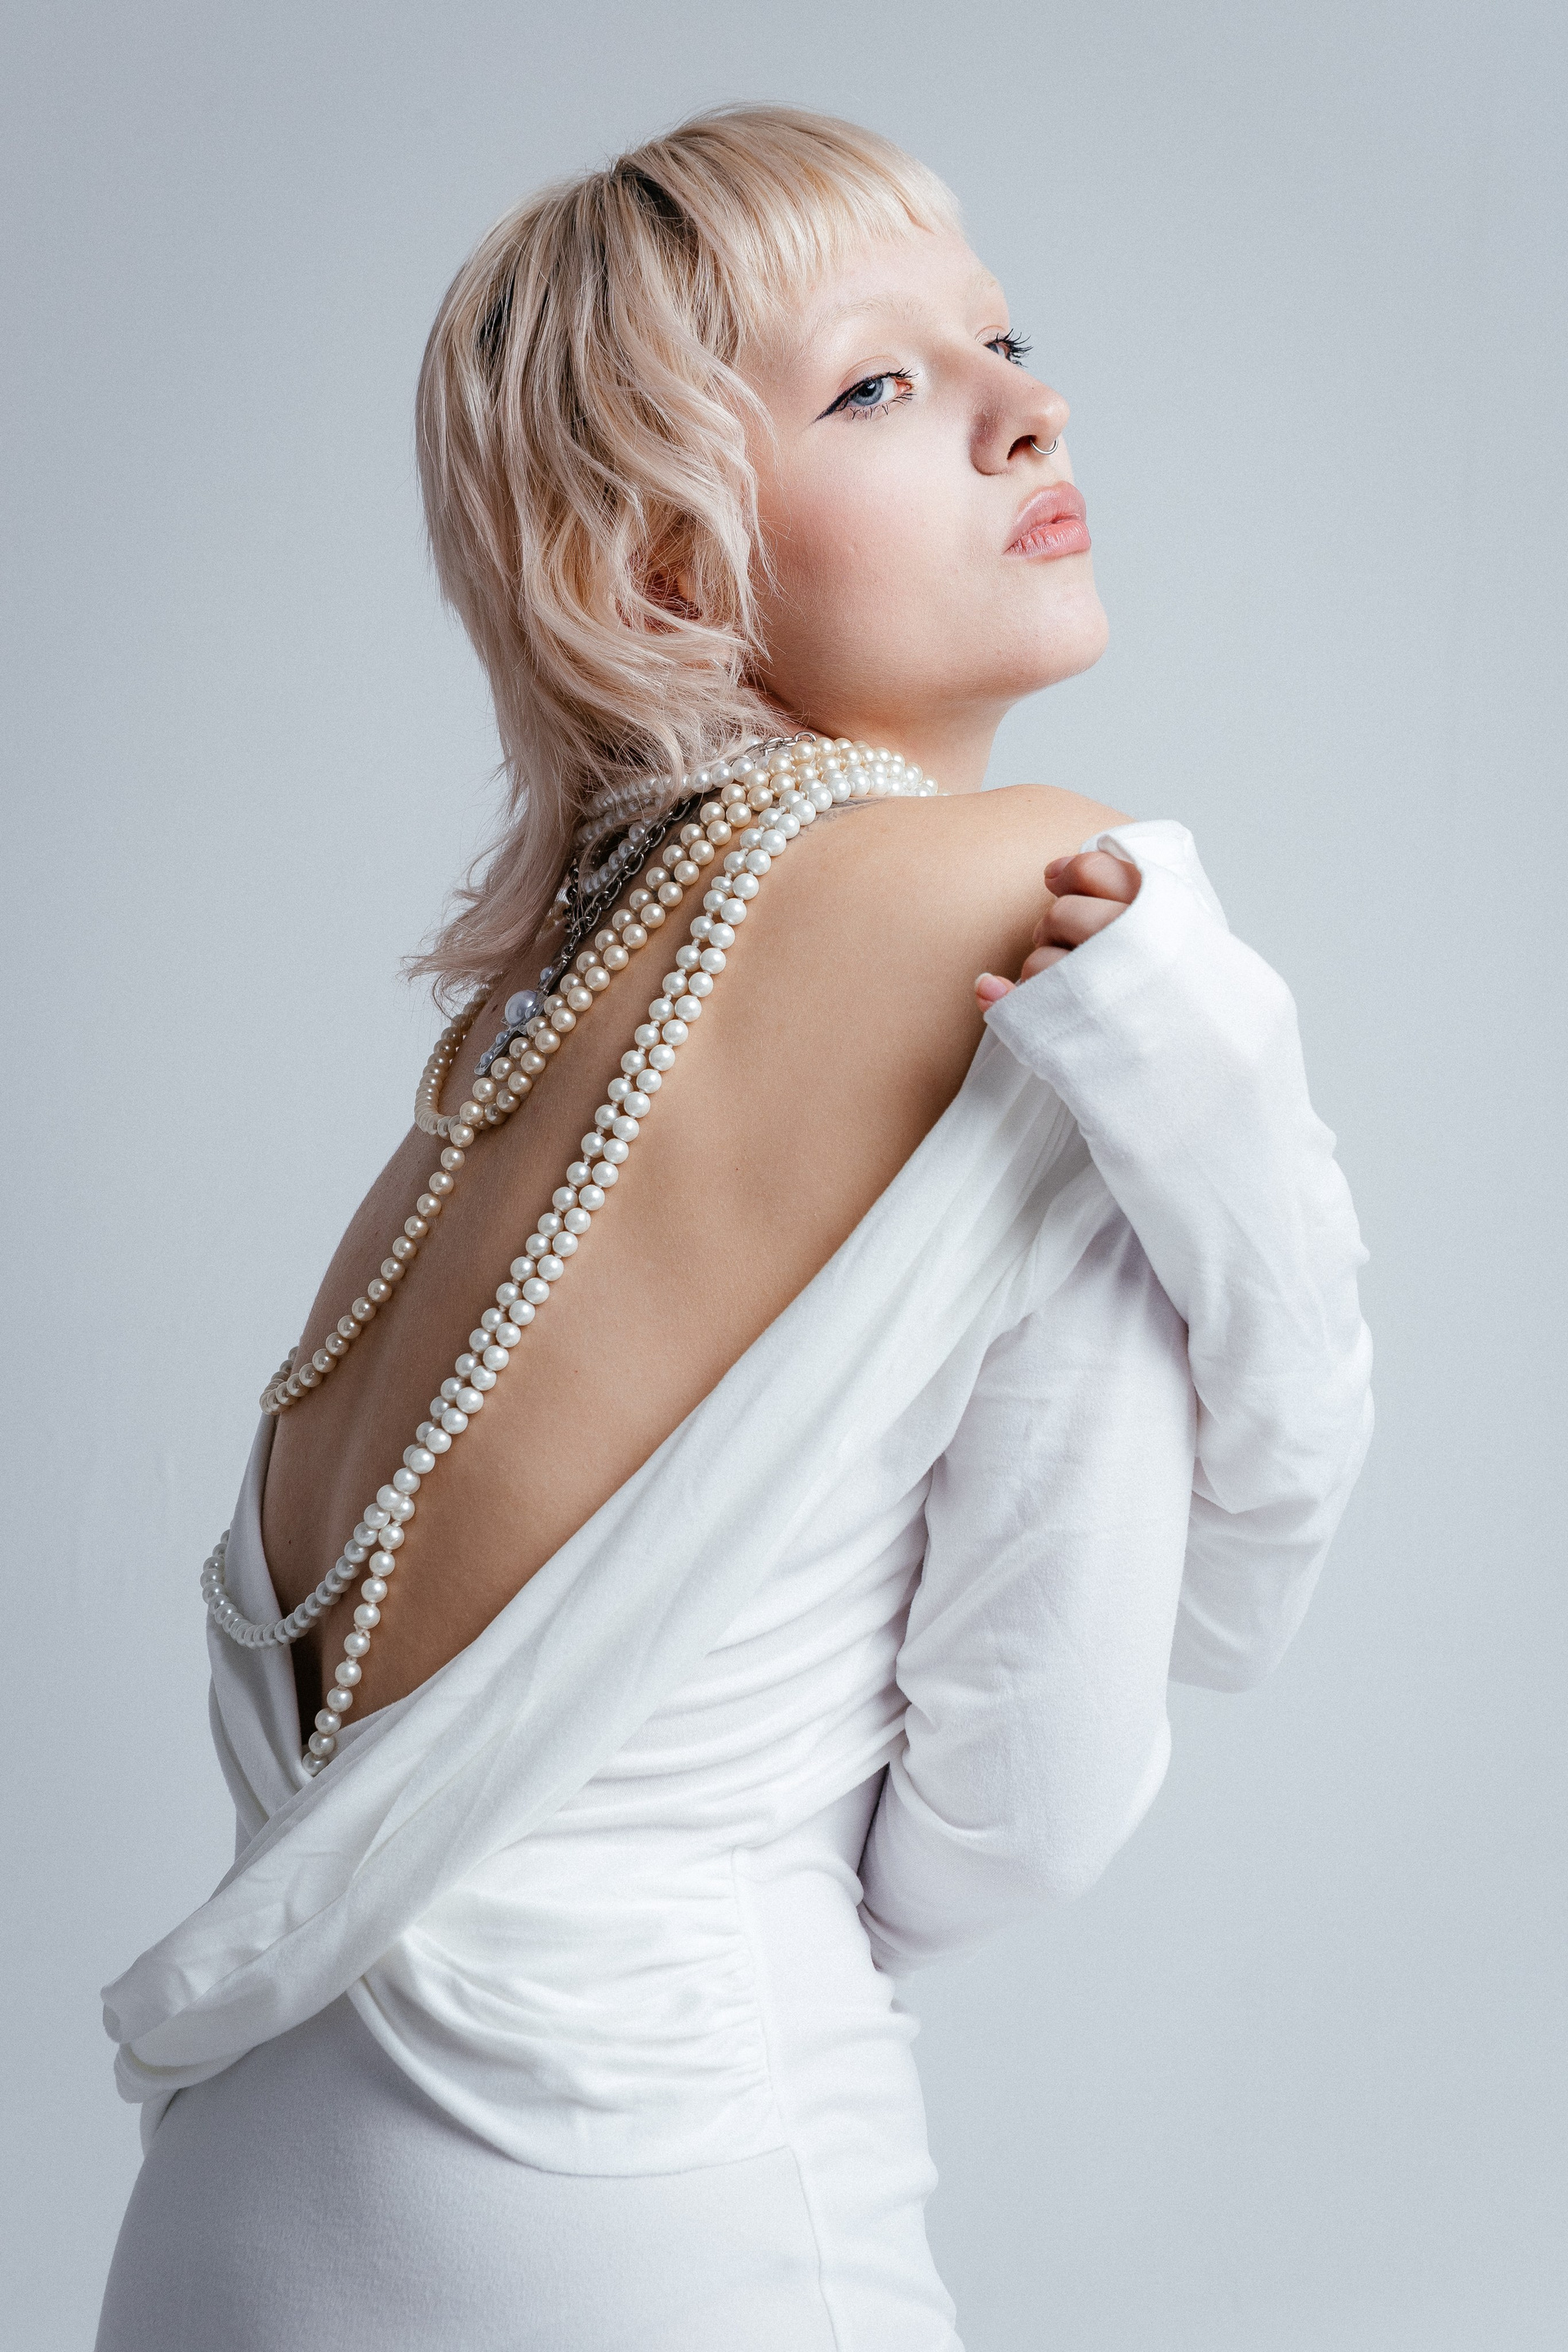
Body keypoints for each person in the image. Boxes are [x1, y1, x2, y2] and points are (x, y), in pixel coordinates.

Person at [95, 105, 1372, 2351]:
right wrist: (1227, 1093)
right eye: (877, 385)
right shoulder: (1038, 912)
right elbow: (1041, 1793)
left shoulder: (511, 1046)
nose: (1028, 410)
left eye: (1004, 341)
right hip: (638, 2205)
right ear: (668, 574)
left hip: (232, 2220)